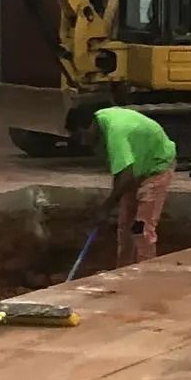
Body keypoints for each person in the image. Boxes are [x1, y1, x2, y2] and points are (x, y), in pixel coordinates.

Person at [67, 99, 178, 262]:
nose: (82, 143)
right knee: (125, 226)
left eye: (81, 136)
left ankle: (145, 274)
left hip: (156, 166)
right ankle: (124, 272)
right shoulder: (100, 126)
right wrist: (112, 201)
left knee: (141, 227)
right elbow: (120, 172)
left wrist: (106, 207)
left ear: (88, 126)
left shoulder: (115, 131)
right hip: (136, 168)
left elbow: (126, 174)